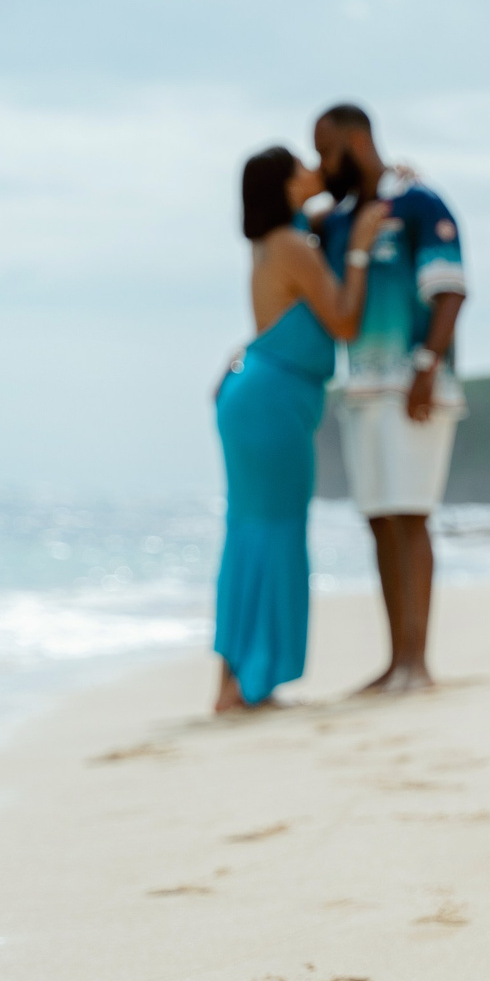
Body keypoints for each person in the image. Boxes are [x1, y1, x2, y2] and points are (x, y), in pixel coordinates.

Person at [210, 147, 388, 714]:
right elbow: (340, 319)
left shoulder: (278, 237)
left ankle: (236, 682)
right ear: (286, 186)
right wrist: (358, 252)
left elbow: (330, 214)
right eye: (303, 168)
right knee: (272, 531)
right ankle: (248, 683)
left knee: (251, 533)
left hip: (259, 393)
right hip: (272, 399)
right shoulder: (290, 244)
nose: (315, 170)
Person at [313, 103, 468, 695]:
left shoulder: (419, 205)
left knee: (411, 516)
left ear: (354, 140)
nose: (321, 163)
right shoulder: (339, 223)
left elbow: (450, 291)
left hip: (414, 385)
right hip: (362, 389)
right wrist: (313, 189)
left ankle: (418, 662)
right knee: (380, 521)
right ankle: (395, 658)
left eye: (325, 149)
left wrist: (426, 366)